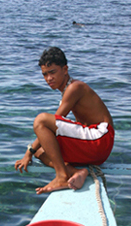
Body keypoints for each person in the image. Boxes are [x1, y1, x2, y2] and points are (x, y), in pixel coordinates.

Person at [15, 47, 114, 195]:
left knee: (41, 120)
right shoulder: (67, 90)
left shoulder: (75, 87)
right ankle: (76, 172)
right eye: (45, 75)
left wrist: (28, 152)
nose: (48, 78)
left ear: (65, 69)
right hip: (93, 145)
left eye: (52, 72)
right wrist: (33, 152)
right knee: (41, 151)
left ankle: (61, 176)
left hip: (100, 140)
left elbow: (53, 122)